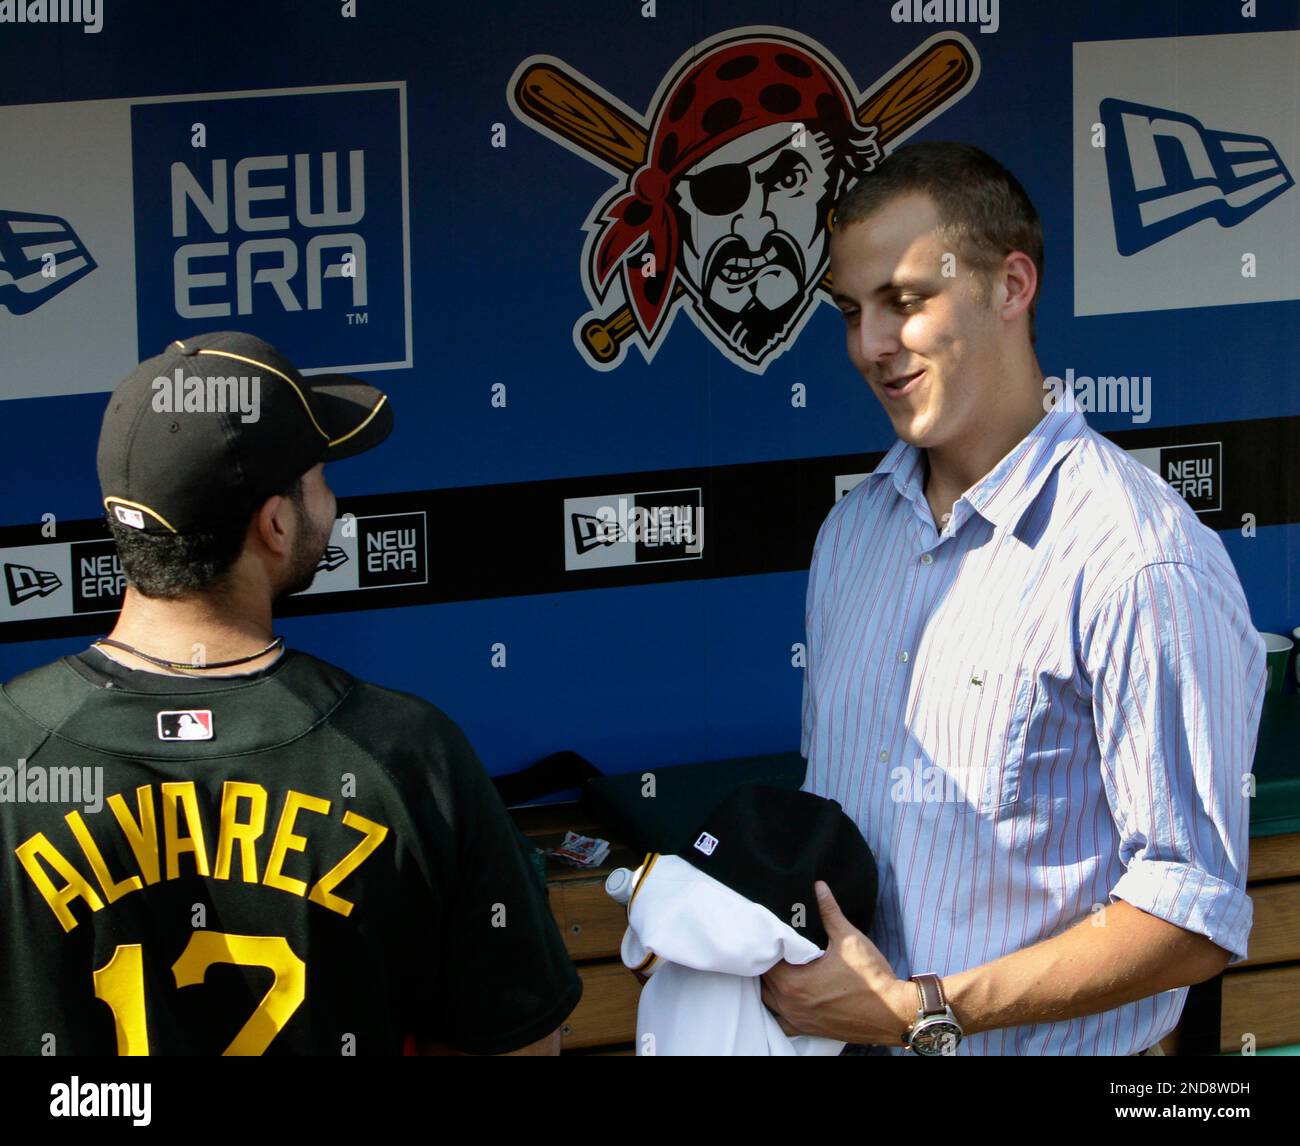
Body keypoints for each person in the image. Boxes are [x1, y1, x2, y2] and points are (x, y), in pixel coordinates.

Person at [760, 142, 1267, 1055]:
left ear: (1011, 284)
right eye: (850, 311)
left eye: (906, 302)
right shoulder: (854, 534)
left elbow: (1191, 913)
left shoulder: (1137, 560)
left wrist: (928, 1010)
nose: (870, 345)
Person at [0, 331, 581, 1056]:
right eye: (319, 480)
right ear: (275, 523)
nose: (331, 502)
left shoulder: (13, 753)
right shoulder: (405, 754)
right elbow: (515, 1047)